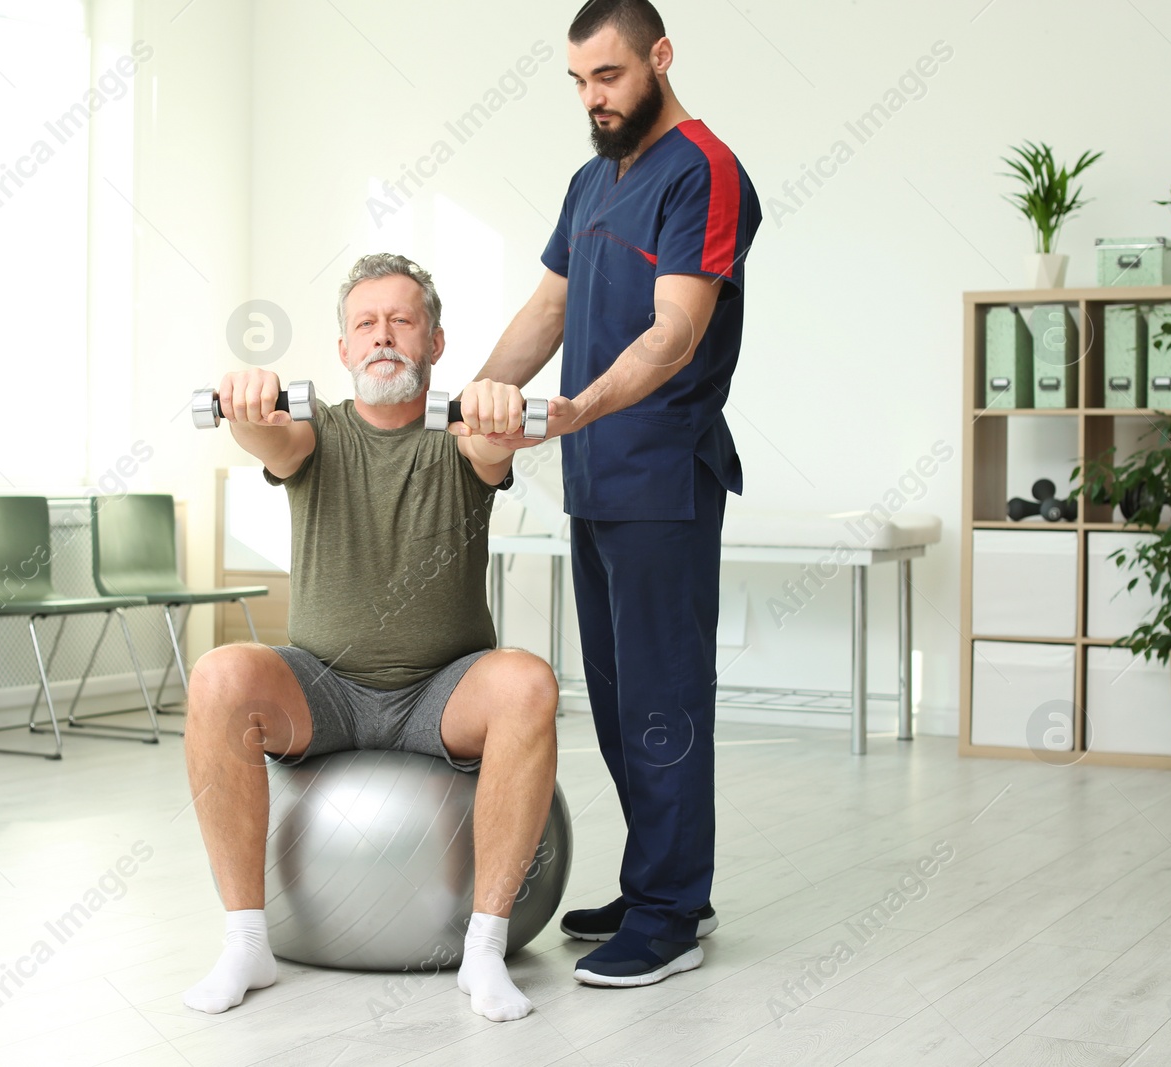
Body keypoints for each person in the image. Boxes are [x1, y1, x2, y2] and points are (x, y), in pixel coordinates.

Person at [181, 253, 560, 1023]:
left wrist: (496, 413)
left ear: (436, 341)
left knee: (527, 680)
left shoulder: (458, 431)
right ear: (346, 349)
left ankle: (483, 950)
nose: (382, 335)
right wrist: (248, 402)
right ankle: (247, 941)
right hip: (324, 688)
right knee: (220, 674)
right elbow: (271, 442)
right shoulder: (314, 432)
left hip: (442, 692)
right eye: (365, 323)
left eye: (402, 320)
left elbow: (491, 452)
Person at [470, 0, 762, 987]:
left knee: (664, 696)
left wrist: (576, 408)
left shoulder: (706, 171)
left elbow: (677, 329)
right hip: (593, 480)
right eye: (578, 82)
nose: (592, 99)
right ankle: (655, 883)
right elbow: (546, 307)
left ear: (659, 58)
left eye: (609, 76)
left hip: (661, 475)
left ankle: (673, 908)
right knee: (619, 696)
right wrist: (472, 402)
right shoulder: (591, 182)